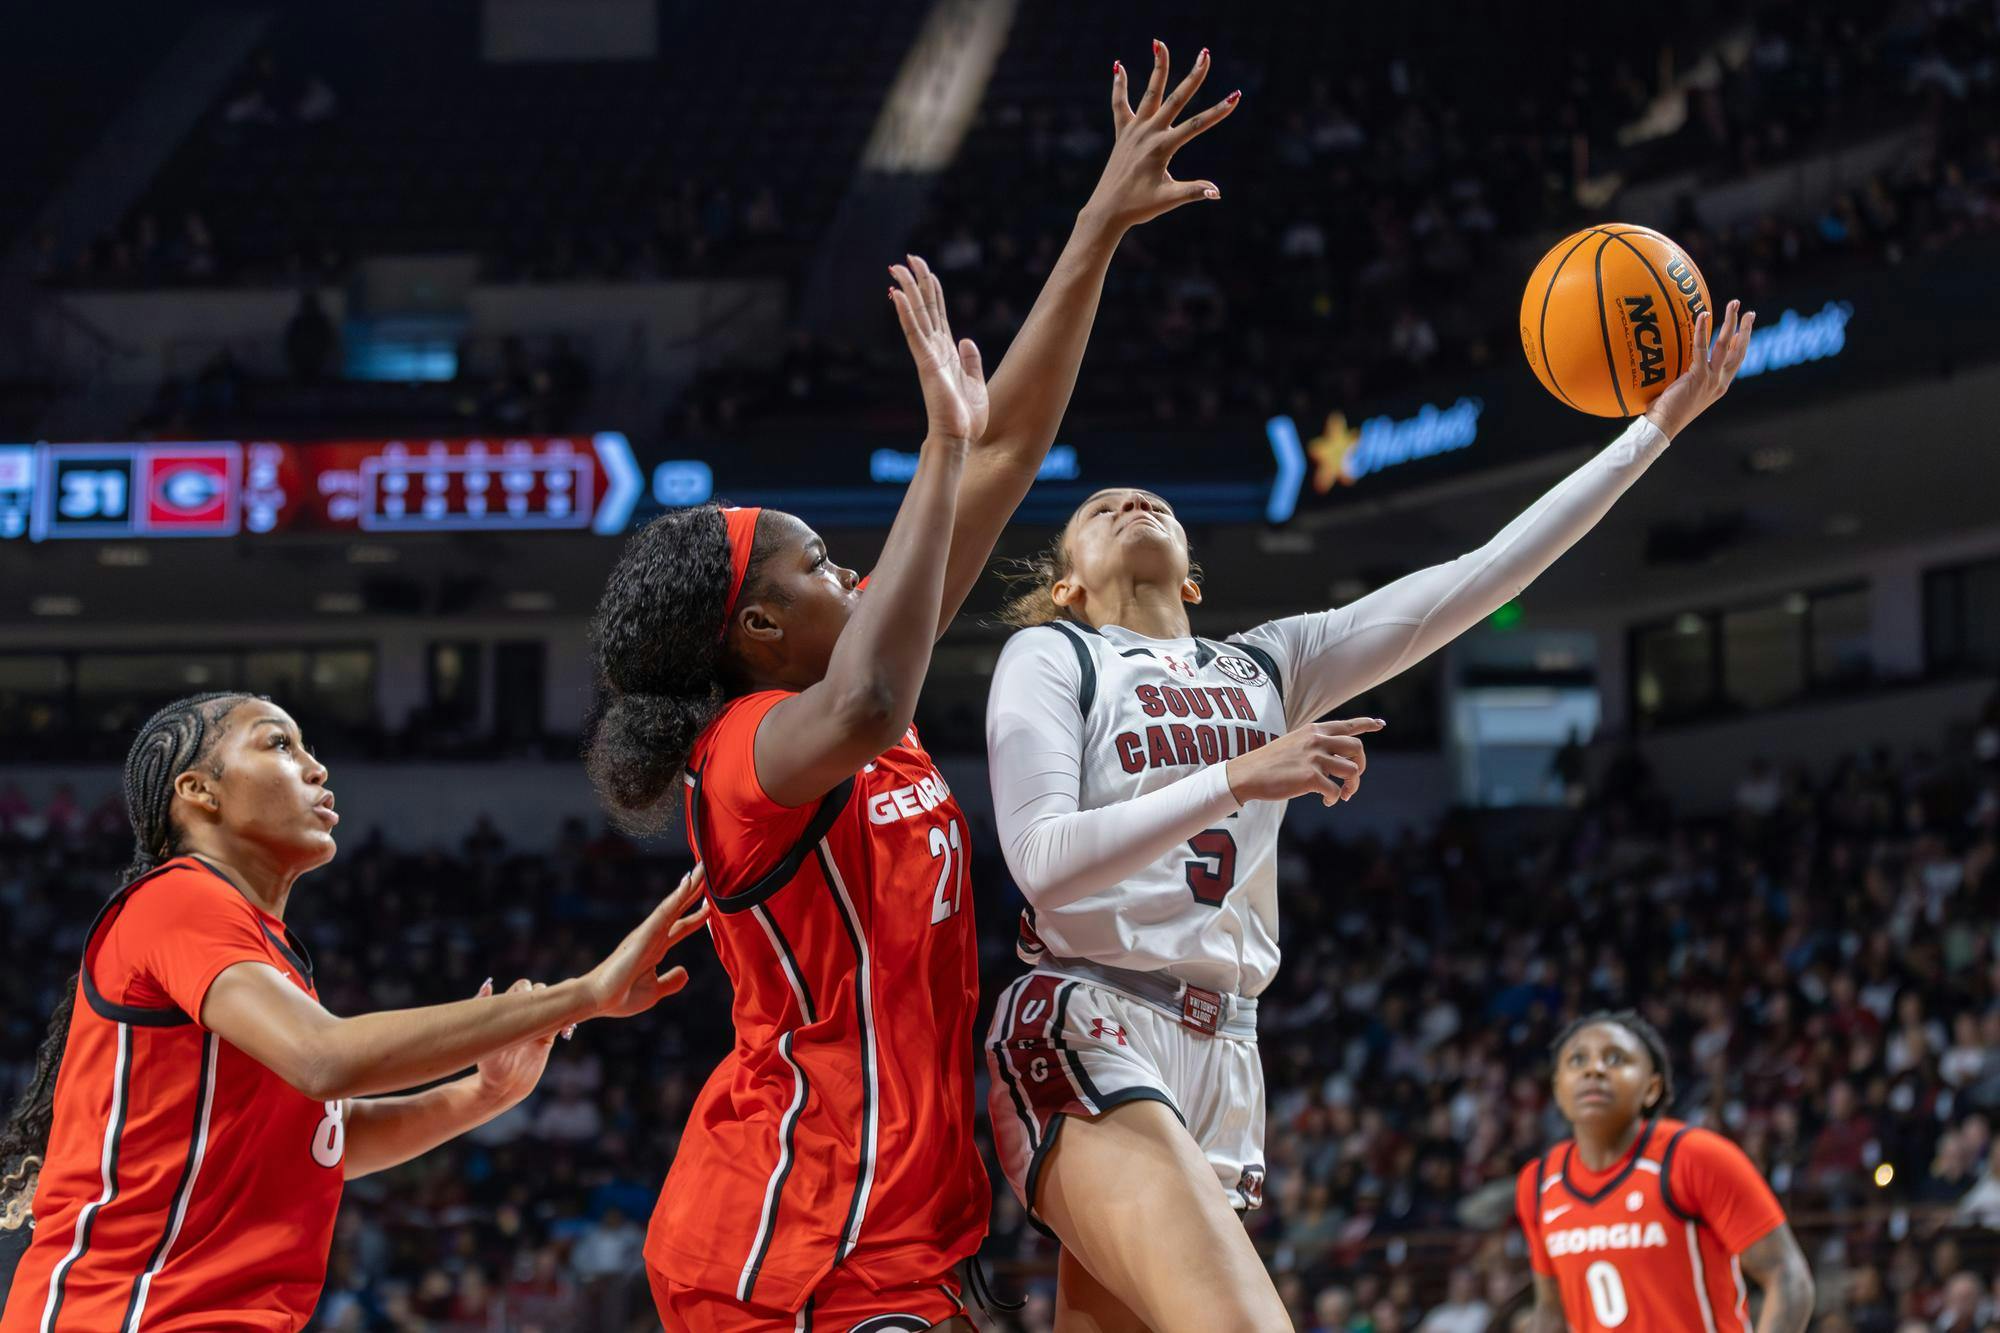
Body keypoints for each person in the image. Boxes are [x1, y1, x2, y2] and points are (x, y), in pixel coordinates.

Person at [584, 45, 1239, 1333]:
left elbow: (1003, 447)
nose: (858, 571)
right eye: (824, 563)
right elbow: (878, 694)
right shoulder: (748, 754)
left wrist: (1096, 228)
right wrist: (936, 446)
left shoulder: (838, 693)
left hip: (899, 1232)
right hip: (790, 1241)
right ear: (761, 625)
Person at [982, 303, 1758, 1329]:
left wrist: (1645, 435)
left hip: (1224, 1045)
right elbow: (1039, 862)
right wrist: (1239, 776)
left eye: (1149, 498)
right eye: (1099, 506)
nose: (1129, 497)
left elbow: (1476, 578)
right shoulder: (1054, 656)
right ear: (1068, 583)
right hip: (1088, 1012)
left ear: (1196, 576)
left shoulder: (1267, 662)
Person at [0, 692, 707, 1331]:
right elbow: (326, 1060)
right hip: (123, 1312)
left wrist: (483, 1092)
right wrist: (585, 991)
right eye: (279, 743)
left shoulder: (266, 952)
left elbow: (323, 1142)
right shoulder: (178, 896)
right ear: (197, 791)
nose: (316, 766)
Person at [1516, 1012, 1815, 1333]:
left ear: (1652, 1088)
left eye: (1615, 1058)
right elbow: (1550, 1310)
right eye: (1577, 1060)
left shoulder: (1697, 1157)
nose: (1594, 1069)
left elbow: (1788, 1276)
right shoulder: (1538, 1182)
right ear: (1559, 1088)